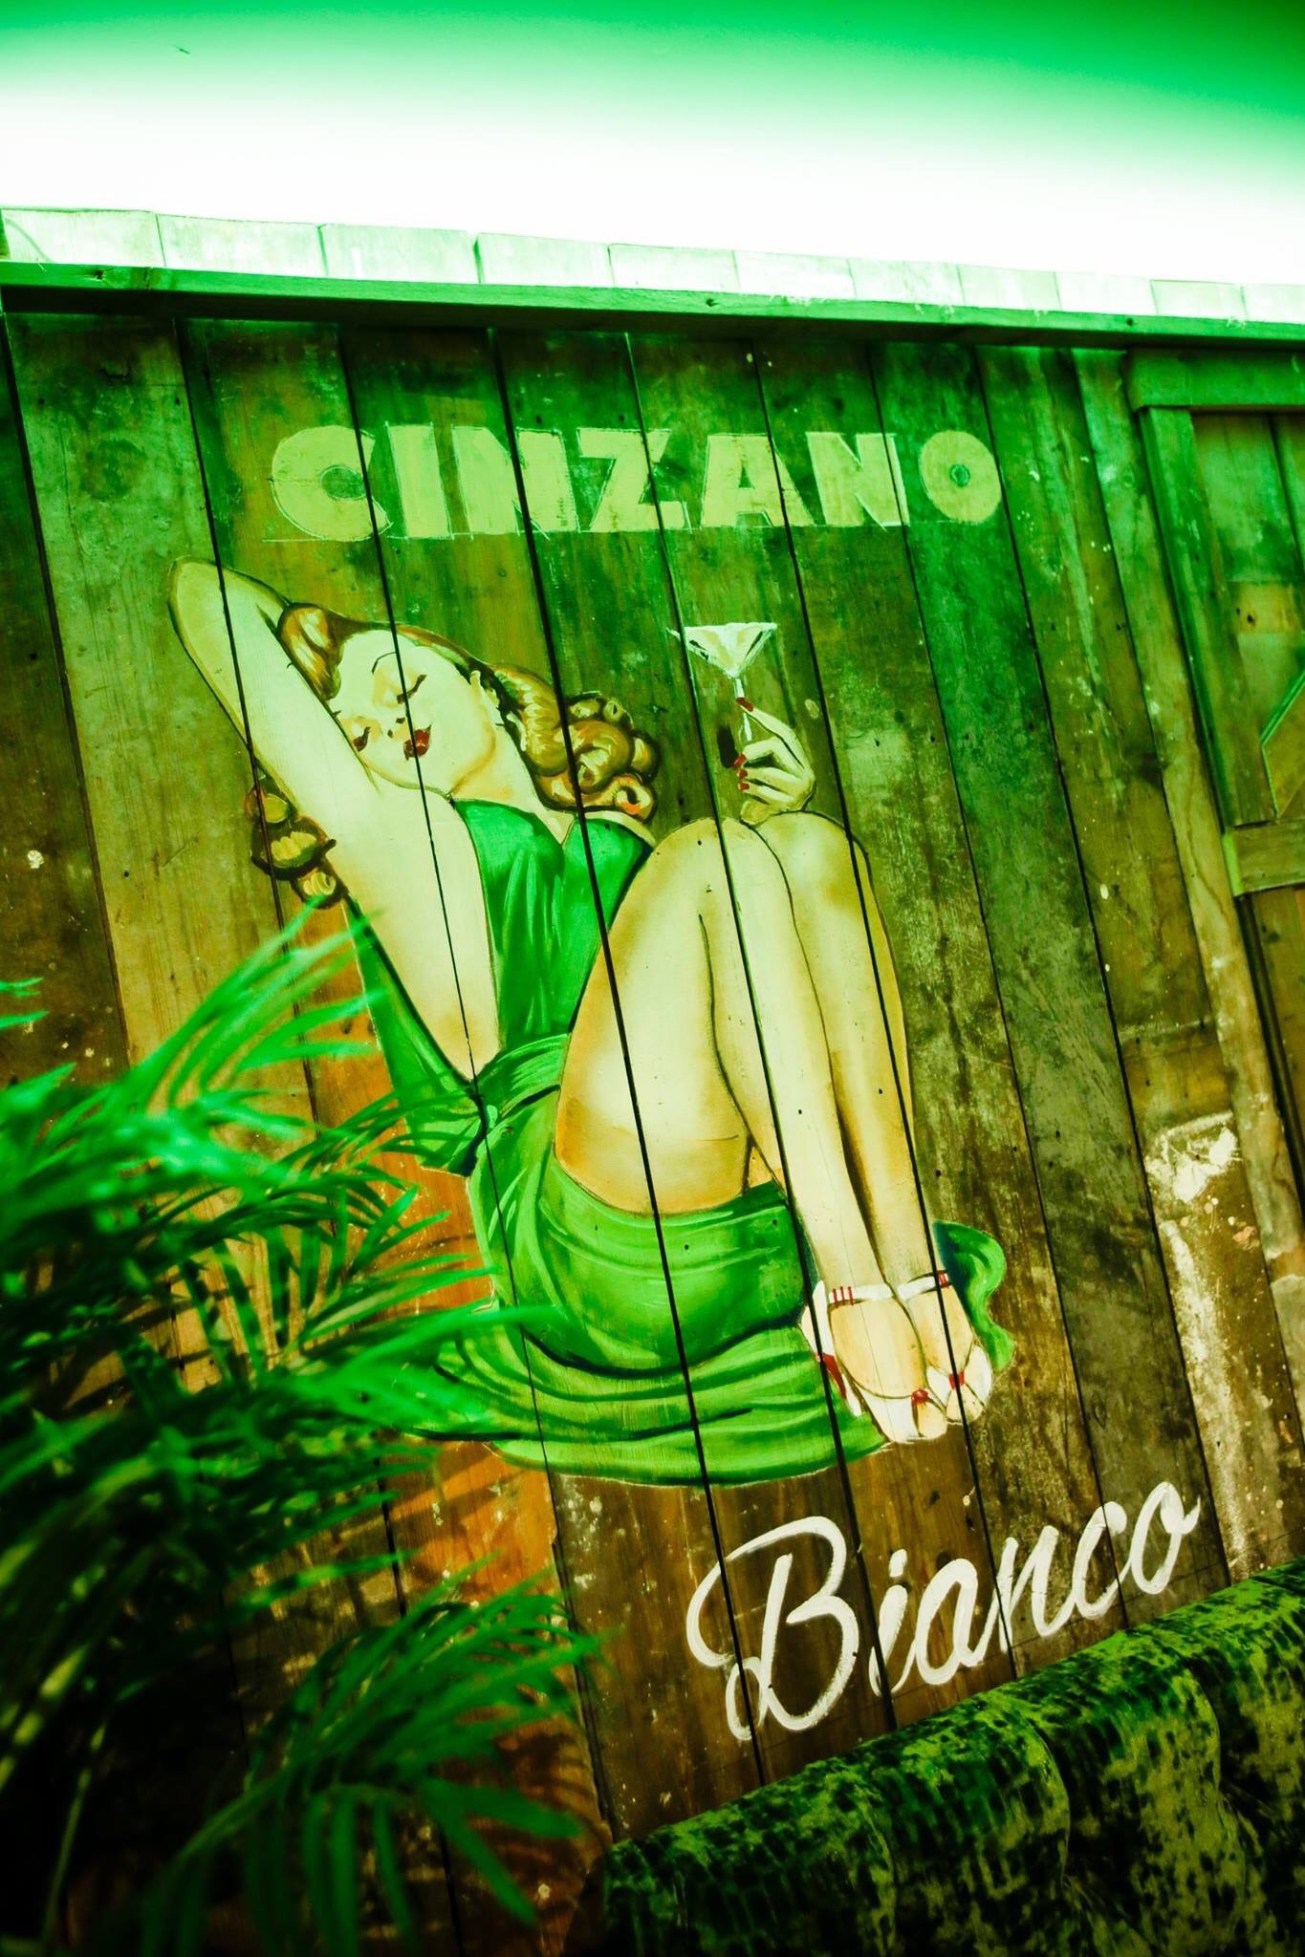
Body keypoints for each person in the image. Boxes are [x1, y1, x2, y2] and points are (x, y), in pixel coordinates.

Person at [169, 560, 1010, 1486]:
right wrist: (314, 635)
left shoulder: (616, 833)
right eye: (353, 734)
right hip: (590, 1242)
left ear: (484, 684)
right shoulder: (399, 846)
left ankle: (909, 1265)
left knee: (808, 845)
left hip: (748, 1211)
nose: (385, 724)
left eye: (398, 682)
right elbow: (204, 596)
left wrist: (778, 823)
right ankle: (852, 1284)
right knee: (715, 855)